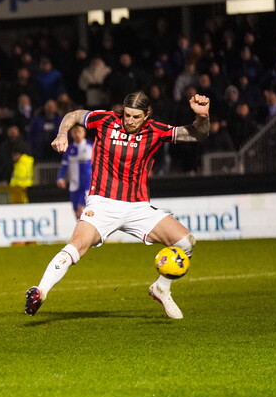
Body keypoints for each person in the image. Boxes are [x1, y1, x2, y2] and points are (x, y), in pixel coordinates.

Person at [24, 91, 210, 320]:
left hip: (138, 207)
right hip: (102, 203)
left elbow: (197, 135)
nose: (129, 121)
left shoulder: (156, 130)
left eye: (135, 117)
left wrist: (202, 117)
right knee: (77, 244)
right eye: (127, 115)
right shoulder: (105, 120)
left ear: (147, 115)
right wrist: (62, 134)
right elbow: (73, 115)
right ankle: (40, 292)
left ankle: (162, 288)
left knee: (186, 243)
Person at [56, 124, 94, 218]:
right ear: (71, 134)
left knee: (82, 210)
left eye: (79, 131)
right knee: (77, 213)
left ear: (84, 133)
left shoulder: (91, 147)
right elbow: (64, 165)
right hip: (74, 185)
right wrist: (60, 178)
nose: (77, 134)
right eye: (75, 132)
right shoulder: (68, 149)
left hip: (87, 185)